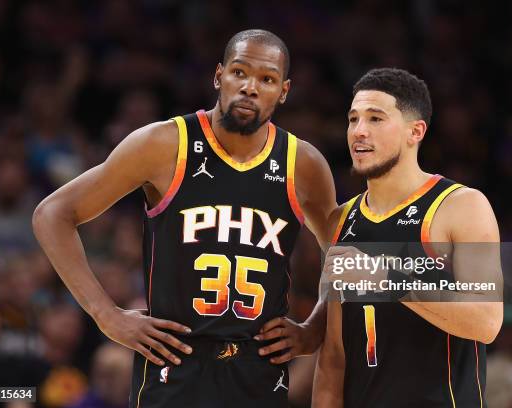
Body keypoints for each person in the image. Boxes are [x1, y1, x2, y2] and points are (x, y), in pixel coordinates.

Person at [33, 29, 336, 407]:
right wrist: (106, 315)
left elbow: (343, 253)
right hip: (173, 365)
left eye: (267, 79)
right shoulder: (164, 144)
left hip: (257, 371)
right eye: (239, 73)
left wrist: (315, 328)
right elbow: (53, 214)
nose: (250, 87)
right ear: (218, 76)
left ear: (284, 91)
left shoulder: (303, 164)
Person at [313, 68, 503, 407]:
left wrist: (386, 279)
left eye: (375, 119)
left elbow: (487, 321)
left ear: (415, 131)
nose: (359, 131)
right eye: (353, 119)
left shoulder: (461, 206)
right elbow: (334, 358)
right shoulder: (339, 221)